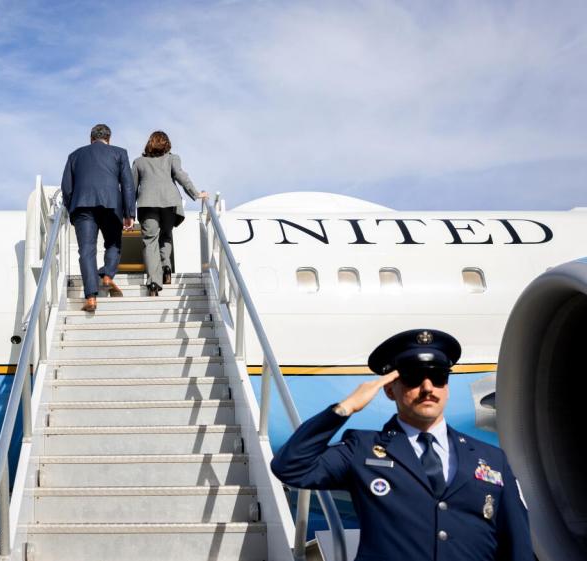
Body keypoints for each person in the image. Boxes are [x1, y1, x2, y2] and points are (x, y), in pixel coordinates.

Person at [270, 329, 532, 561]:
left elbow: (517, 543)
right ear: (389, 389)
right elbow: (292, 467)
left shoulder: (490, 458)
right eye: (414, 378)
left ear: (447, 387)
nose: (428, 387)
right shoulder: (362, 449)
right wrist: (344, 408)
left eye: (438, 377)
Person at [61, 123, 136, 312]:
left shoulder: (75, 155)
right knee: (113, 244)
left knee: (86, 250)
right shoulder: (119, 153)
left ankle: (91, 298)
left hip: (82, 206)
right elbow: (128, 185)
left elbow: (67, 188)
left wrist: (72, 209)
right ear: (109, 139)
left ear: (90, 138)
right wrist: (129, 213)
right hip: (111, 205)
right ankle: (108, 275)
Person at [131, 131, 207, 296]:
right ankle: (166, 267)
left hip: (147, 204)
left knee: (150, 242)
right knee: (166, 234)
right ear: (167, 144)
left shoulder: (138, 162)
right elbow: (181, 176)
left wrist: (128, 212)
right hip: (170, 204)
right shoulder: (173, 158)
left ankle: (153, 283)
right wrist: (195, 193)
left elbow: (132, 189)